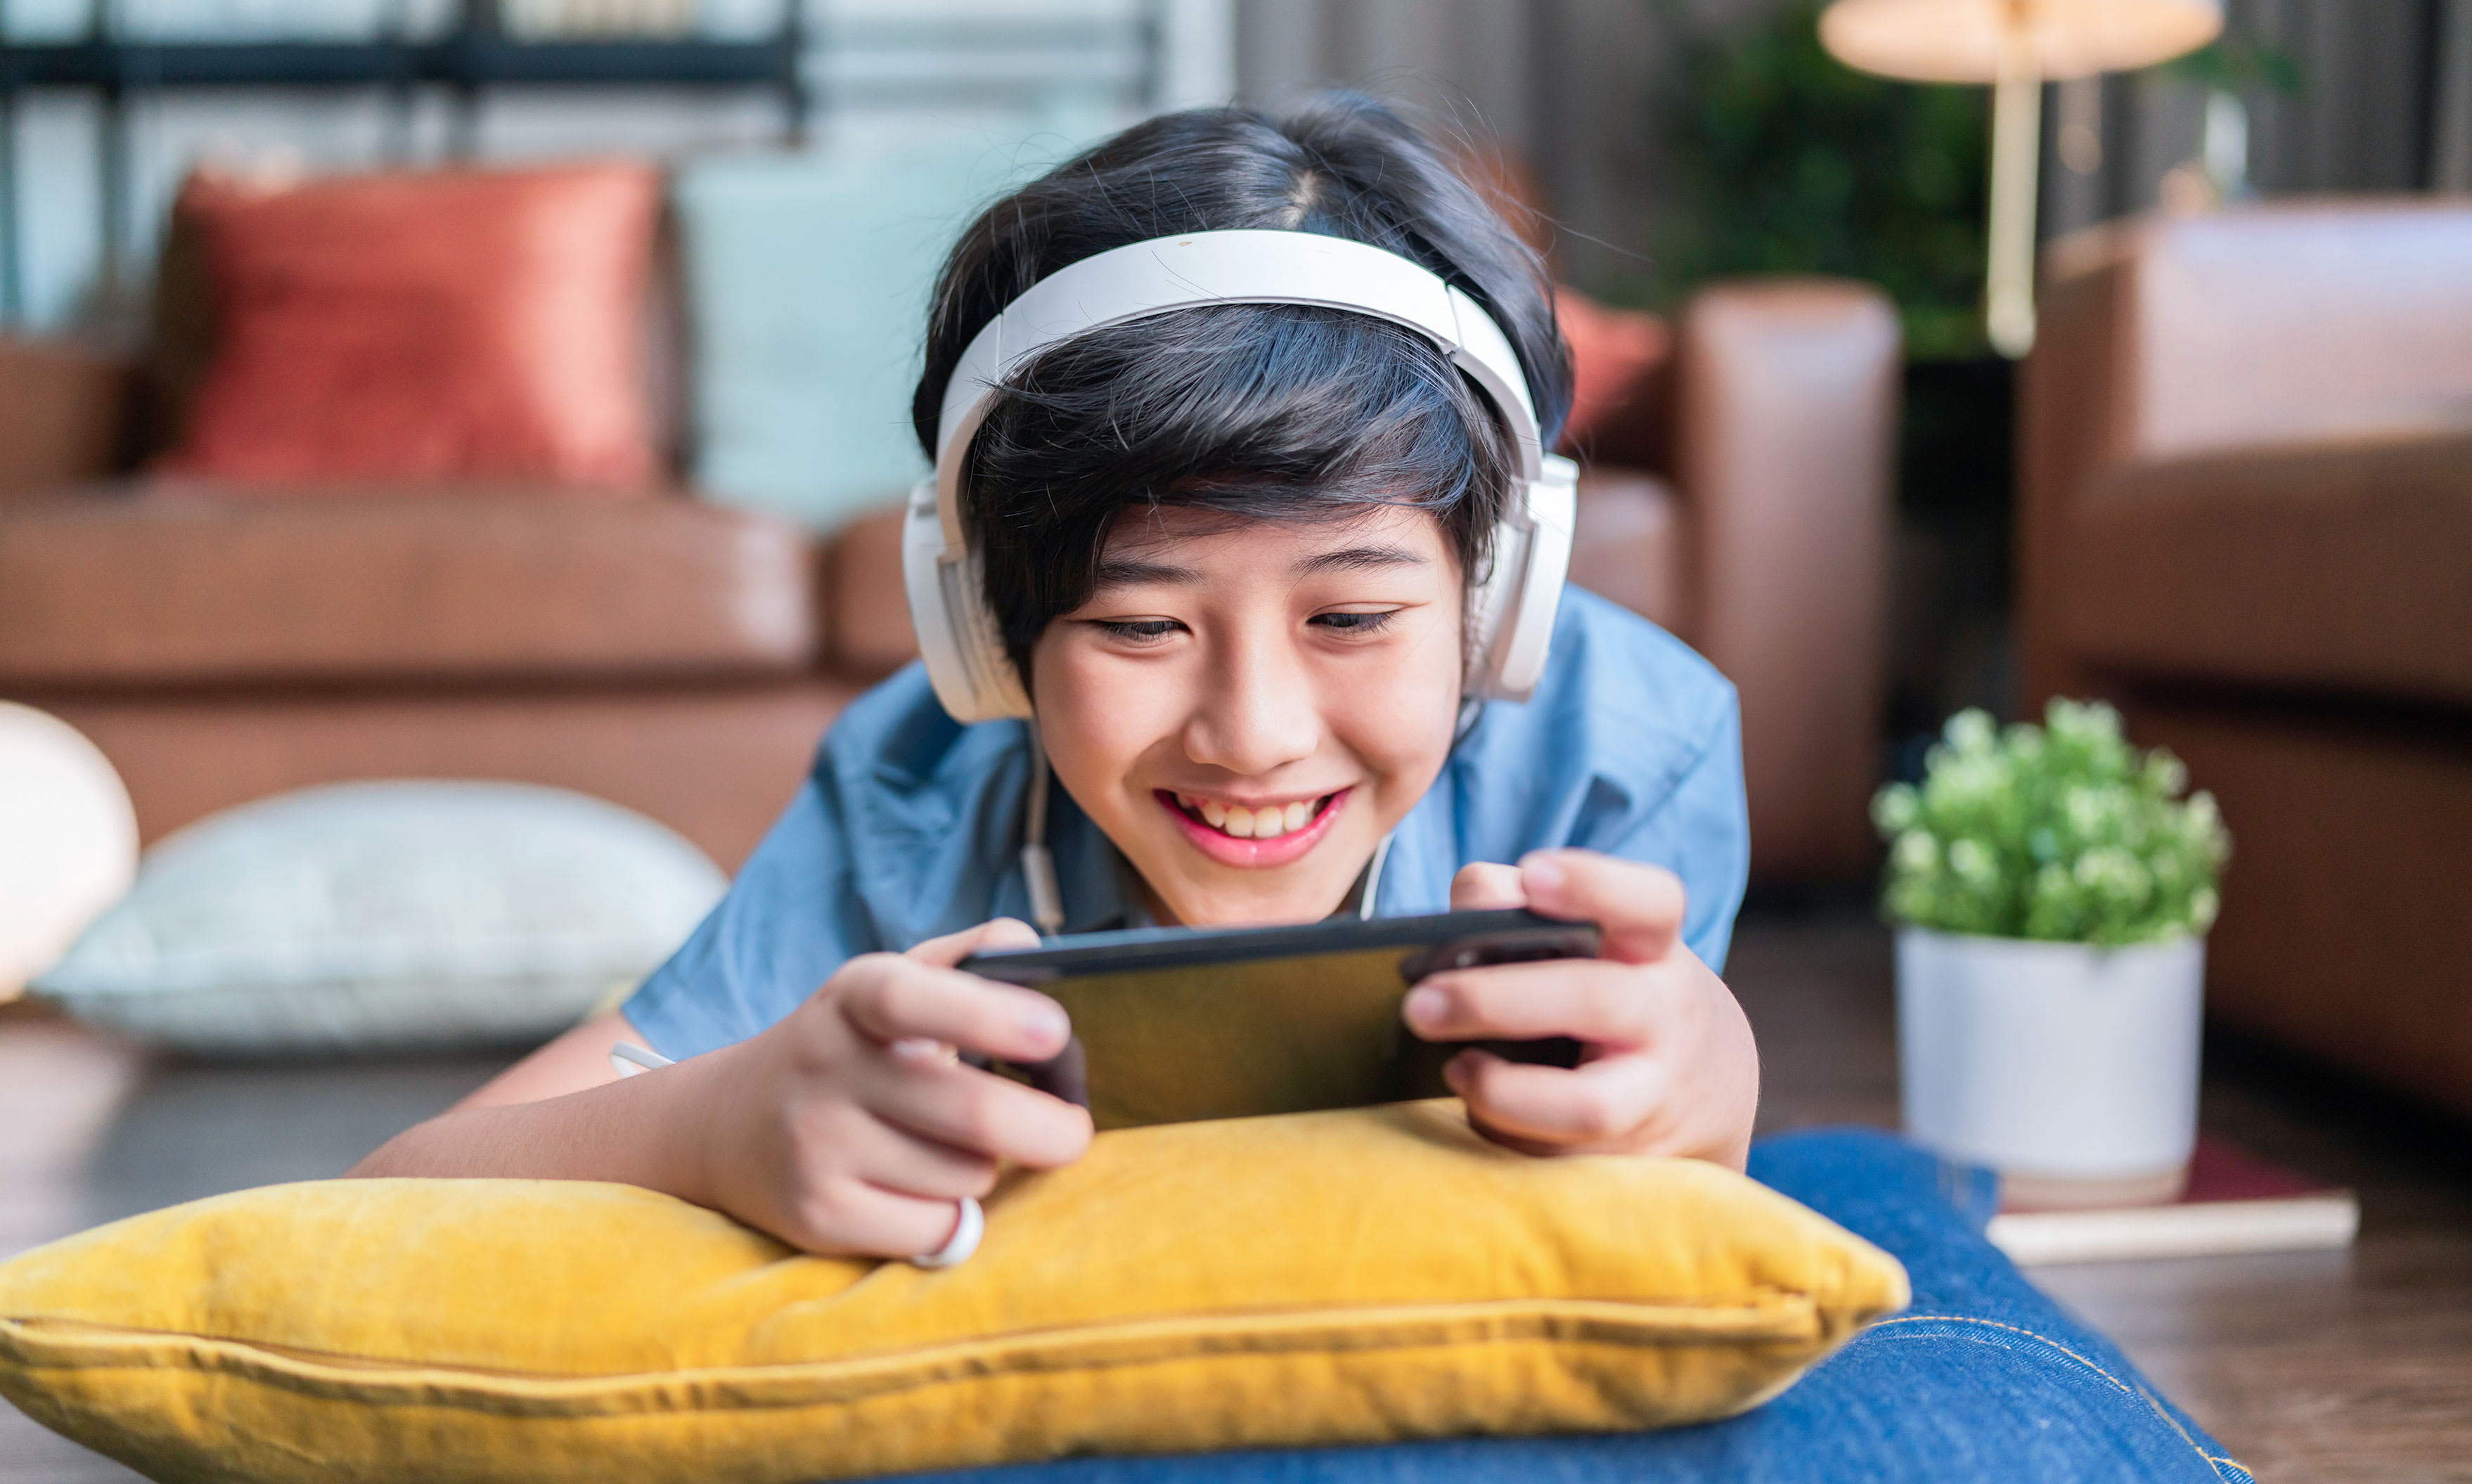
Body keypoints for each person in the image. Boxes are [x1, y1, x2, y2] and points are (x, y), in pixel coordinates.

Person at [352, 94, 1762, 1262]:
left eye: (1351, 618)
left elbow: (1659, 1179)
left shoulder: (1627, 751)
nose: (1255, 737)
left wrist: (1713, 1081)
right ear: (985, 636)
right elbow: (390, 1200)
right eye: (1140, 629)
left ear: (1500, 601)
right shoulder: (914, 793)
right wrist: (708, 1126)